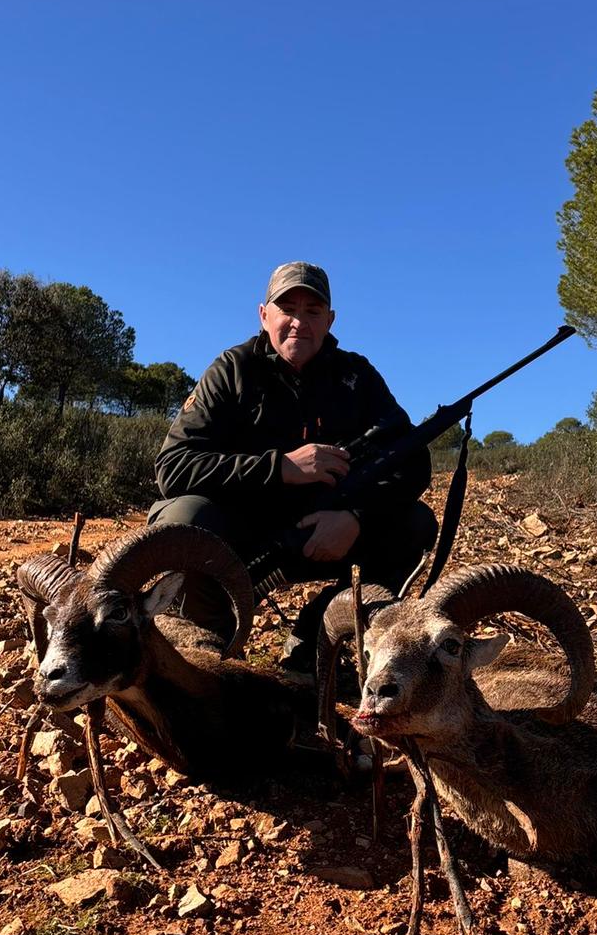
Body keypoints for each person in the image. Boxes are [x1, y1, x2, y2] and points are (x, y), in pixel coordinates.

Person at [149, 261, 437, 677]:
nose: (299, 322)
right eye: (287, 308)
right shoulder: (231, 370)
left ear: (330, 321)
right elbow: (173, 467)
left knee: (416, 523)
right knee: (183, 519)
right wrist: (280, 467)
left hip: (325, 534)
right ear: (263, 315)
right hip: (243, 536)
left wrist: (356, 517)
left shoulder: (357, 375)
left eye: (312, 311)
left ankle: (317, 637)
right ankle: (211, 656)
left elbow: (413, 461)